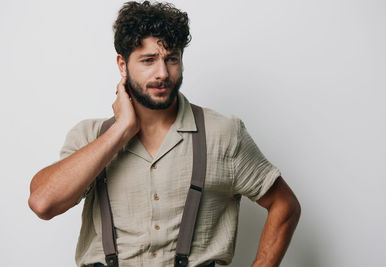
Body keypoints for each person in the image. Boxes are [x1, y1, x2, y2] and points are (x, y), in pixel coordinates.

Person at [28, 1, 301, 266]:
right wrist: (121, 130)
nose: (163, 73)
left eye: (172, 59)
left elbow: (284, 204)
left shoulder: (224, 134)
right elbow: (43, 203)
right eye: (148, 60)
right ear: (122, 65)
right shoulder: (90, 135)